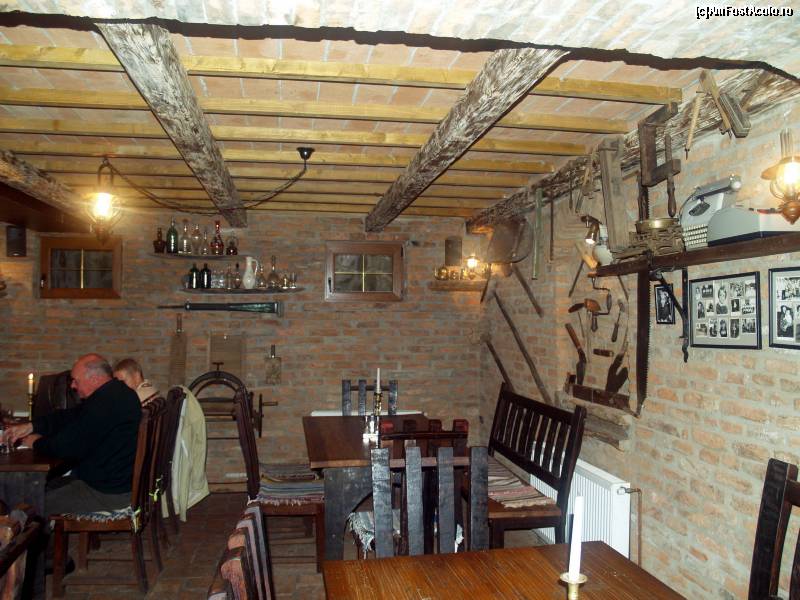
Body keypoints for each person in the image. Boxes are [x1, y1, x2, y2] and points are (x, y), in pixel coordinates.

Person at [4, 353, 142, 515]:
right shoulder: (113, 393)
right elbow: (69, 416)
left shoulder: (106, 403)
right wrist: (32, 426)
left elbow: (65, 447)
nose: (72, 386)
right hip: (109, 484)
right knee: (39, 488)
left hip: (107, 494)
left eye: (76, 380)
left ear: (94, 379)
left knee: (29, 504)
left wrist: (35, 442)